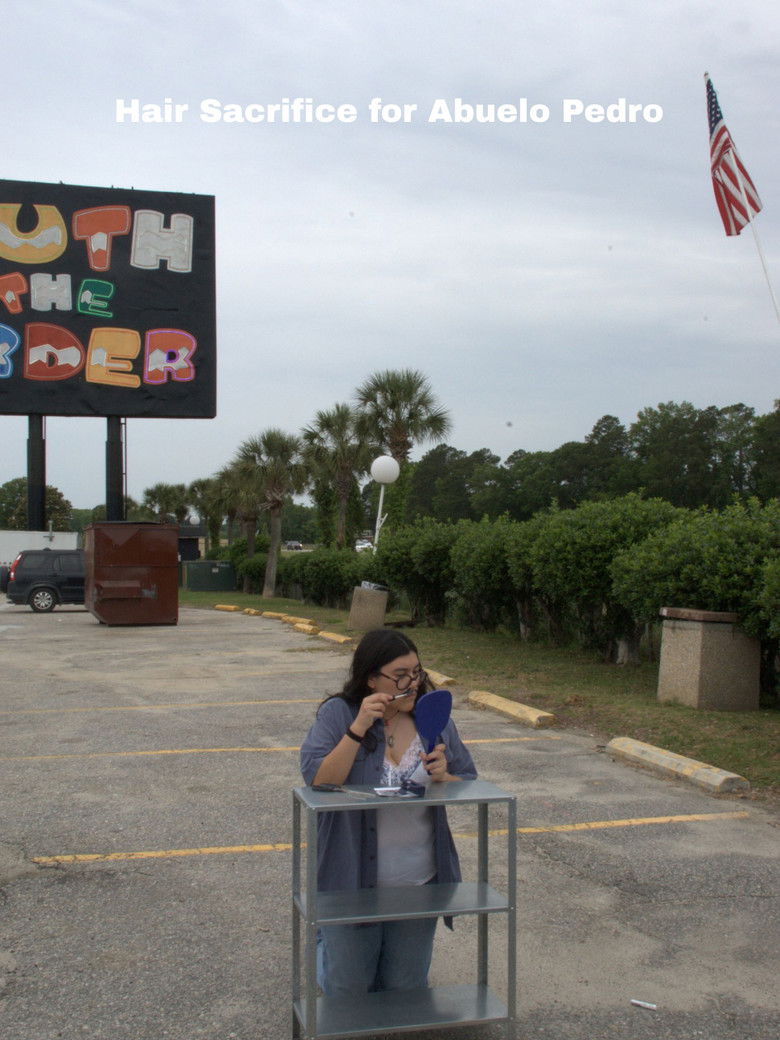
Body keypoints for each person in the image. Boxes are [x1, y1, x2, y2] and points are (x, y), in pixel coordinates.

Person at [300, 628, 477, 996]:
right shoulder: (339, 713)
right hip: (351, 880)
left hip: (418, 881)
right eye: (400, 675)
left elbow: (468, 779)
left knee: (403, 988)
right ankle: (327, 944)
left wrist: (445, 776)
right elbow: (317, 780)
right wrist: (358, 729)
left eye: (417, 672)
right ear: (371, 679)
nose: (412, 683)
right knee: (350, 990)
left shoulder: (434, 717)